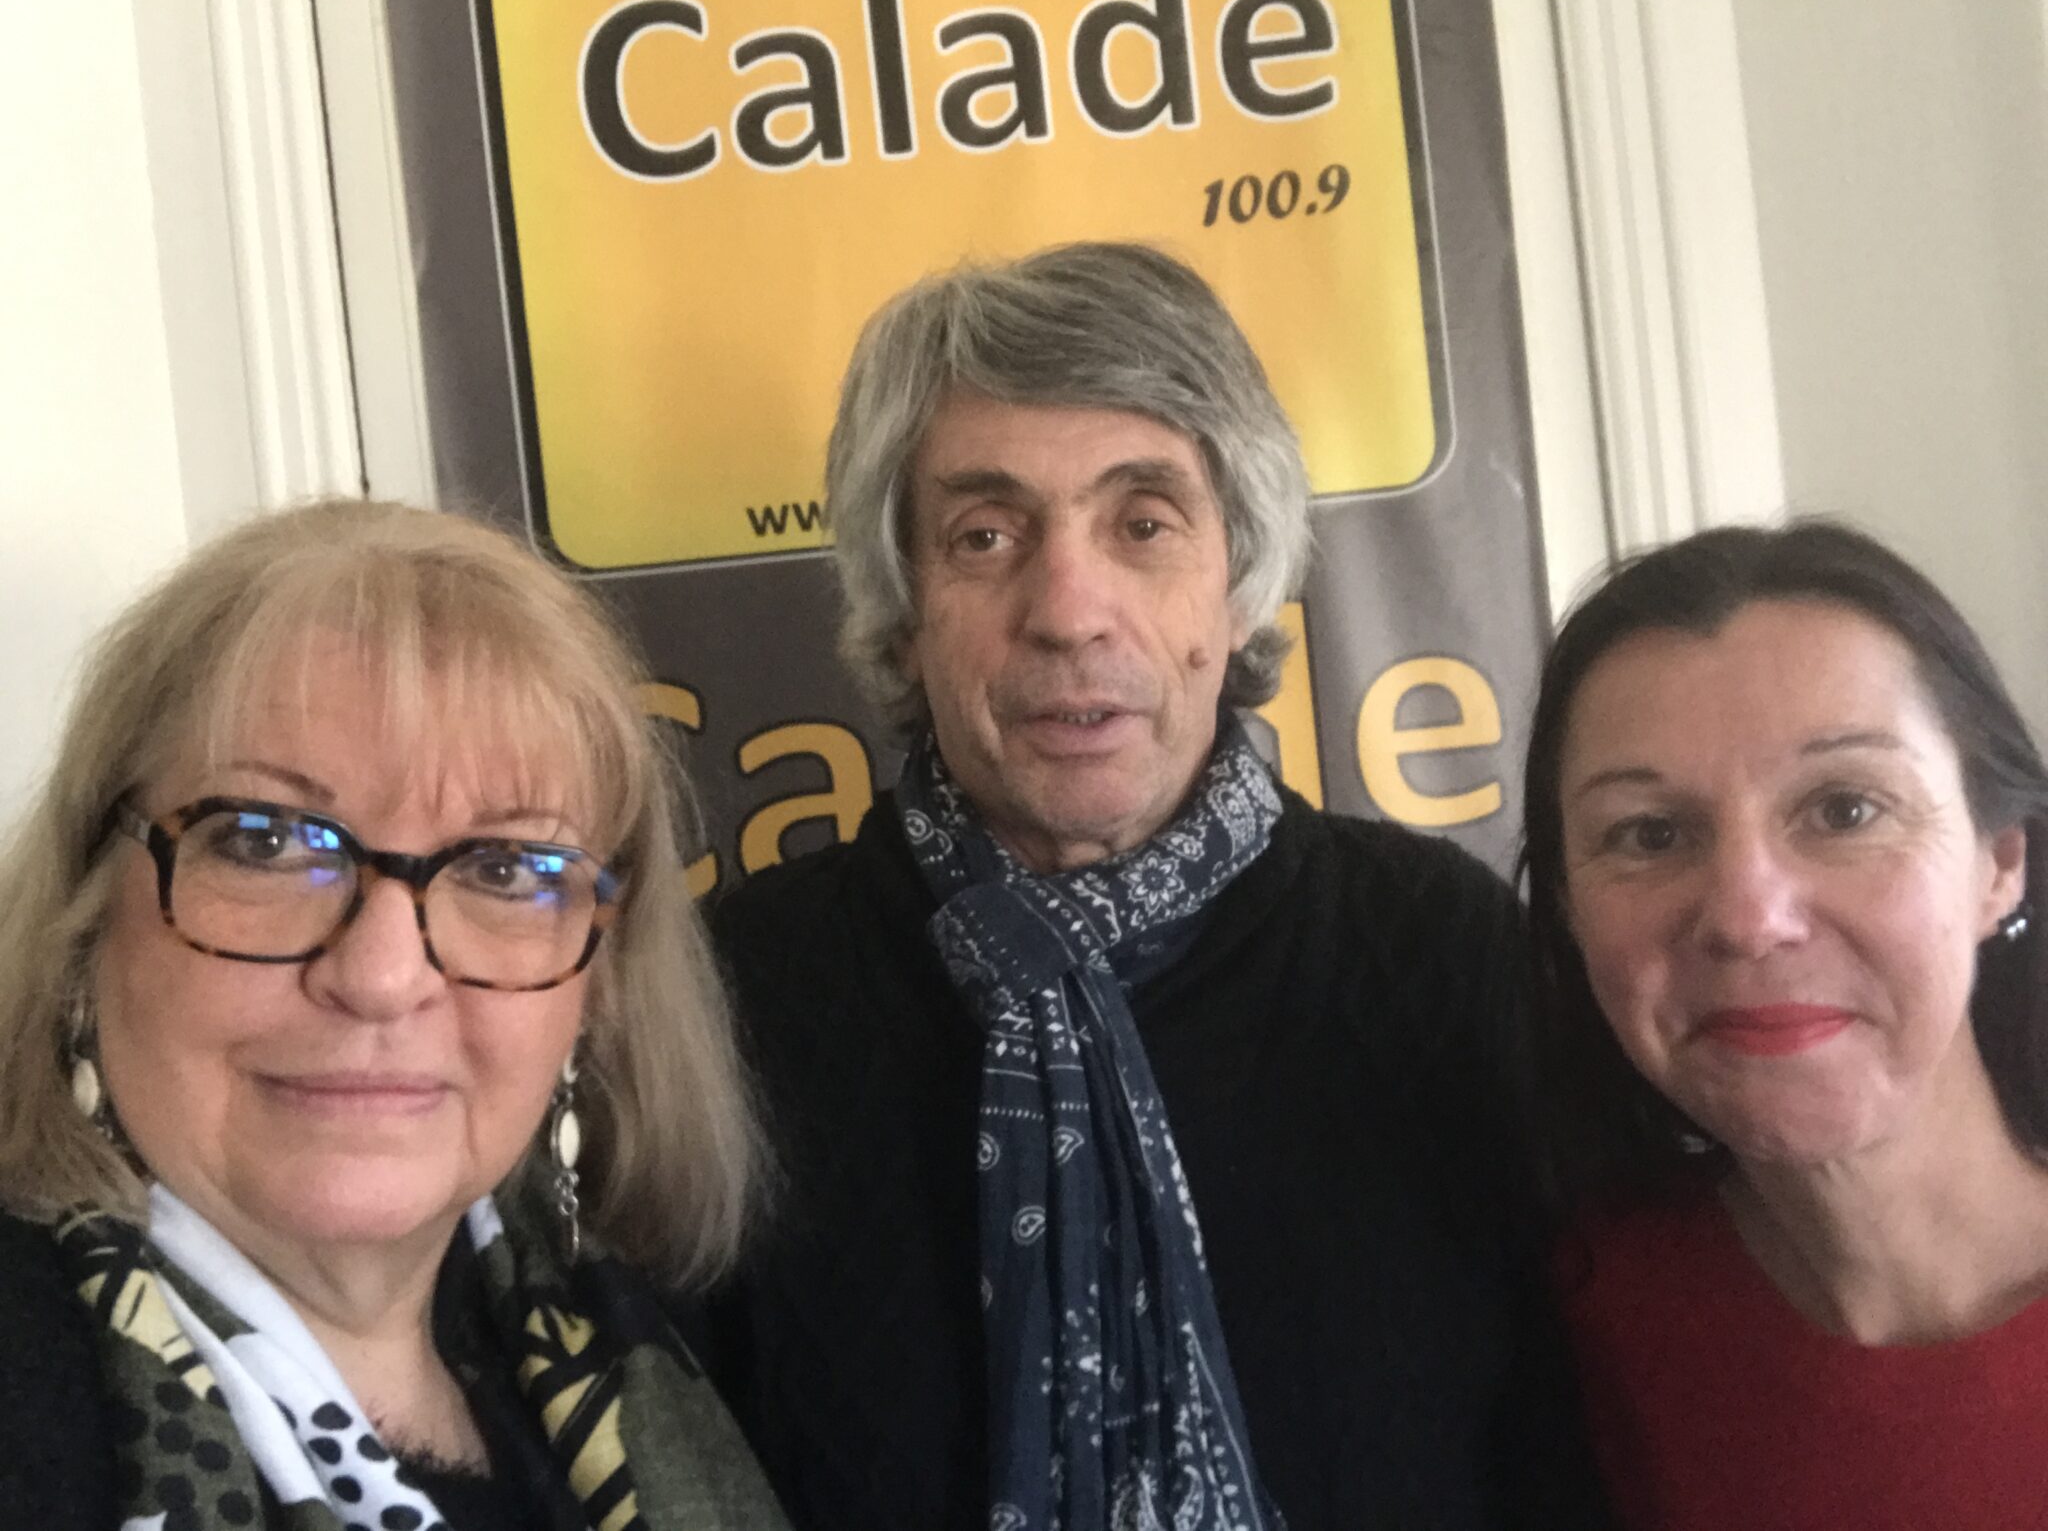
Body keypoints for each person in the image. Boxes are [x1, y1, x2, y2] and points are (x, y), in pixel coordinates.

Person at [699, 241, 1609, 1530]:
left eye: (1142, 523)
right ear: (902, 617)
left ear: (1237, 587)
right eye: (984, 535)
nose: (1070, 611)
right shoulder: (731, 1000)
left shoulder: (1440, 953)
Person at [0, 500, 789, 1529]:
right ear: (87, 912)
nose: (380, 976)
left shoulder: (641, 1350)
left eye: (504, 869)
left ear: (599, 984)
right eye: (266, 842)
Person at [1520, 520, 2048, 1530]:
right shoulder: (1578, 1332)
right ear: (1569, 913)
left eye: (1844, 810)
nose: (1746, 916)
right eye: (1649, 834)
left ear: (2000, 863)